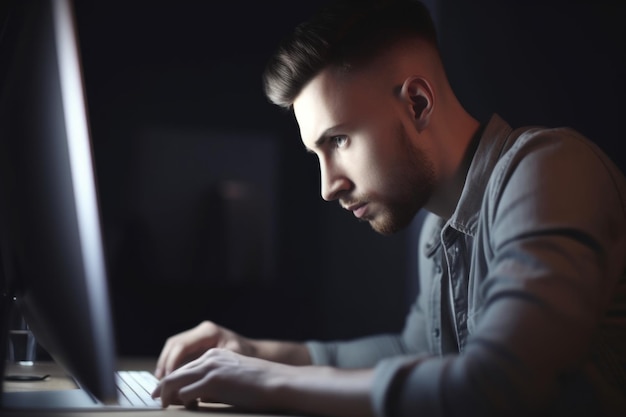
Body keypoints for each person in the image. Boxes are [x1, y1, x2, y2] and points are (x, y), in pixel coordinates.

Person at [151, 0, 626, 415]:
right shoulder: (437, 228)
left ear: (417, 103)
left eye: (339, 139)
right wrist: (254, 351)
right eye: (317, 153)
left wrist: (269, 382)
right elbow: (413, 350)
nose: (327, 187)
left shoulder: (550, 169)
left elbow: (500, 385)